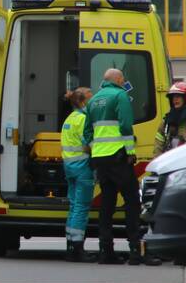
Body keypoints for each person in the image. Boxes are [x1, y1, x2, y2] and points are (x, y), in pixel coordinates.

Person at [84, 69, 161, 266]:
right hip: (118, 155)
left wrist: (95, 148)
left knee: (107, 204)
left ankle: (106, 252)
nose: (124, 80)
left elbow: (87, 132)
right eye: (123, 78)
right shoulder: (120, 95)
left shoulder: (94, 100)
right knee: (132, 201)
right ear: (117, 79)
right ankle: (135, 251)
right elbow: (126, 125)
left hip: (100, 158)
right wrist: (130, 151)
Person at [61, 87, 94, 262]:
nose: (92, 102)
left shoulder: (70, 118)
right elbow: (88, 144)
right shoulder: (83, 119)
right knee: (81, 207)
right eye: (90, 99)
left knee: (74, 206)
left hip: (70, 166)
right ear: (82, 102)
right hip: (83, 167)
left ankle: (70, 246)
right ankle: (77, 248)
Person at [155, 82, 186, 153]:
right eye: (173, 97)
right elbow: (158, 144)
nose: (174, 99)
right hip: (172, 157)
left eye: (178, 96)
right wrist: (158, 158)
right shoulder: (167, 121)